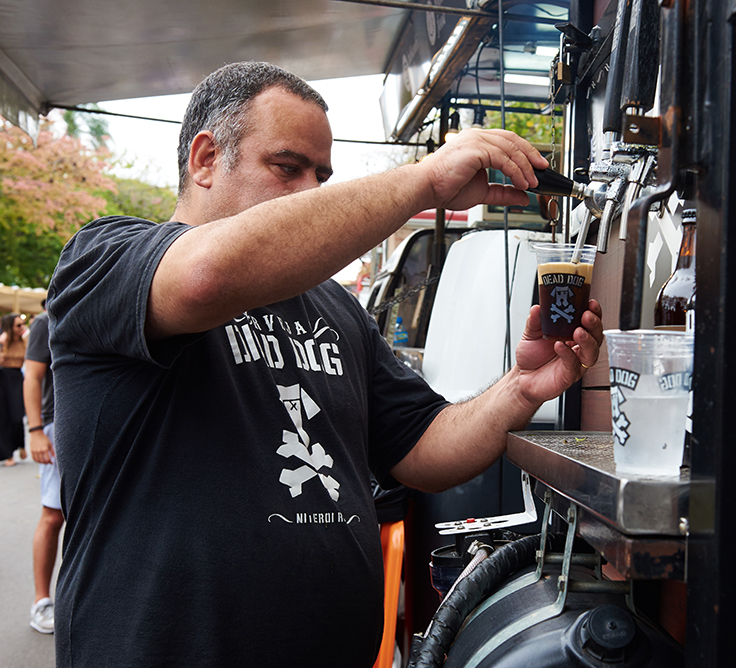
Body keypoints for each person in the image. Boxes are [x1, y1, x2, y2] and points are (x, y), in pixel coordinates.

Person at [47, 61, 603, 667]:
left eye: (323, 174)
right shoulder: (104, 259)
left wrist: (522, 389)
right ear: (205, 159)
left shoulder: (334, 308)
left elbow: (425, 449)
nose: (311, 190)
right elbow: (204, 278)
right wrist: (424, 181)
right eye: (287, 167)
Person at [23, 304, 63, 634]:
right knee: (53, 515)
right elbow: (33, 376)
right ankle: (41, 600)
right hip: (55, 427)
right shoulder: (44, 321)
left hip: (96, 424)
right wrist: (36, 430)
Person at [0, 313, 28, 466]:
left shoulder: (25, 341)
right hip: (3, 377)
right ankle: (8, 454)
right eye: (18, 325)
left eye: (22, 324)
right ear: (10, 327)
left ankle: (21, 445)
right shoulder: (3, 341)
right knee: (4, 417)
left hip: (17, 378)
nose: (22, 327)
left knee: (18, 415)